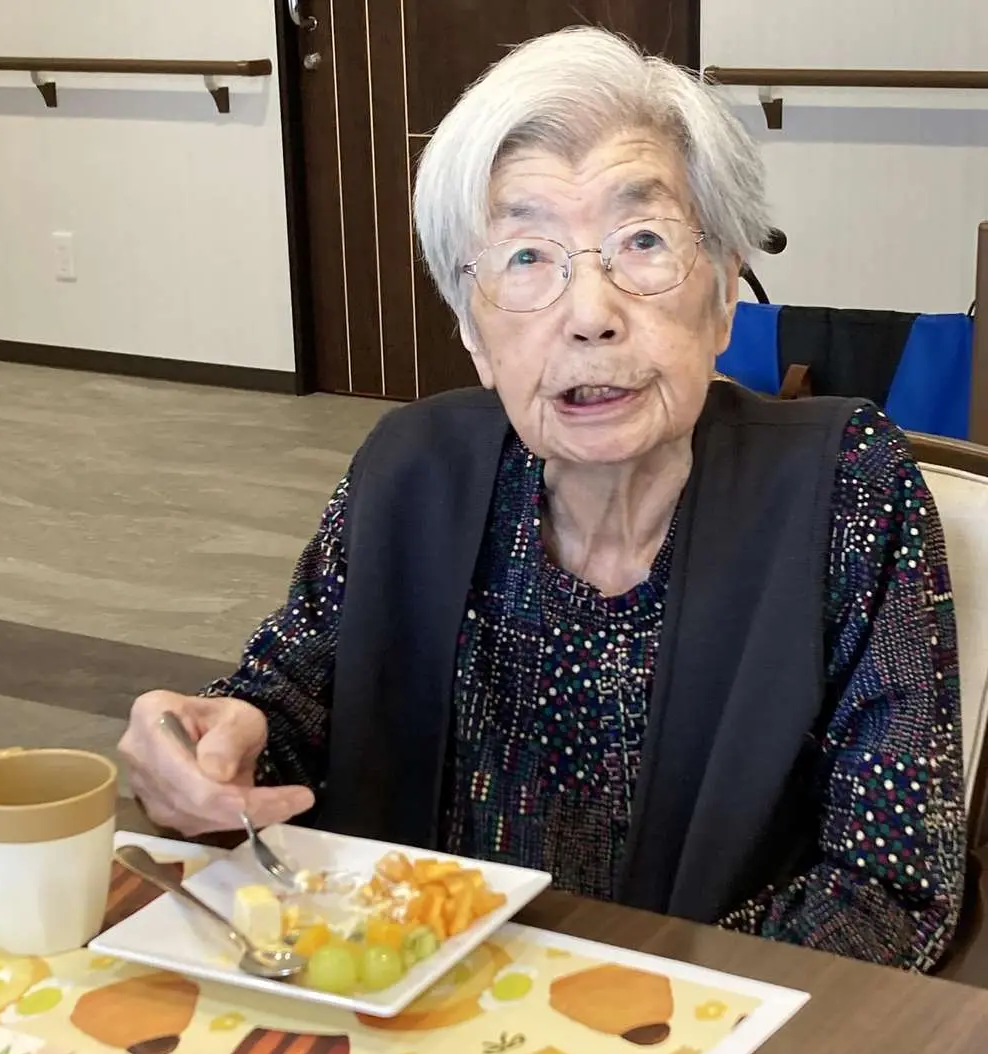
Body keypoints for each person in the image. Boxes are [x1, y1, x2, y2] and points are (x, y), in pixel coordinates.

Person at [119, 27, 966, 972]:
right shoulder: (411, 470)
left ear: (726, 296)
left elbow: (893, 887)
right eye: (526, 256)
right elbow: (286, 711)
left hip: (703, 1036)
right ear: (473, 330)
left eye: (642, 242)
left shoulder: (846, 490)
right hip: (391, 1013)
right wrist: (212, 743)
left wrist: (592, 1001)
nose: (591, 313)